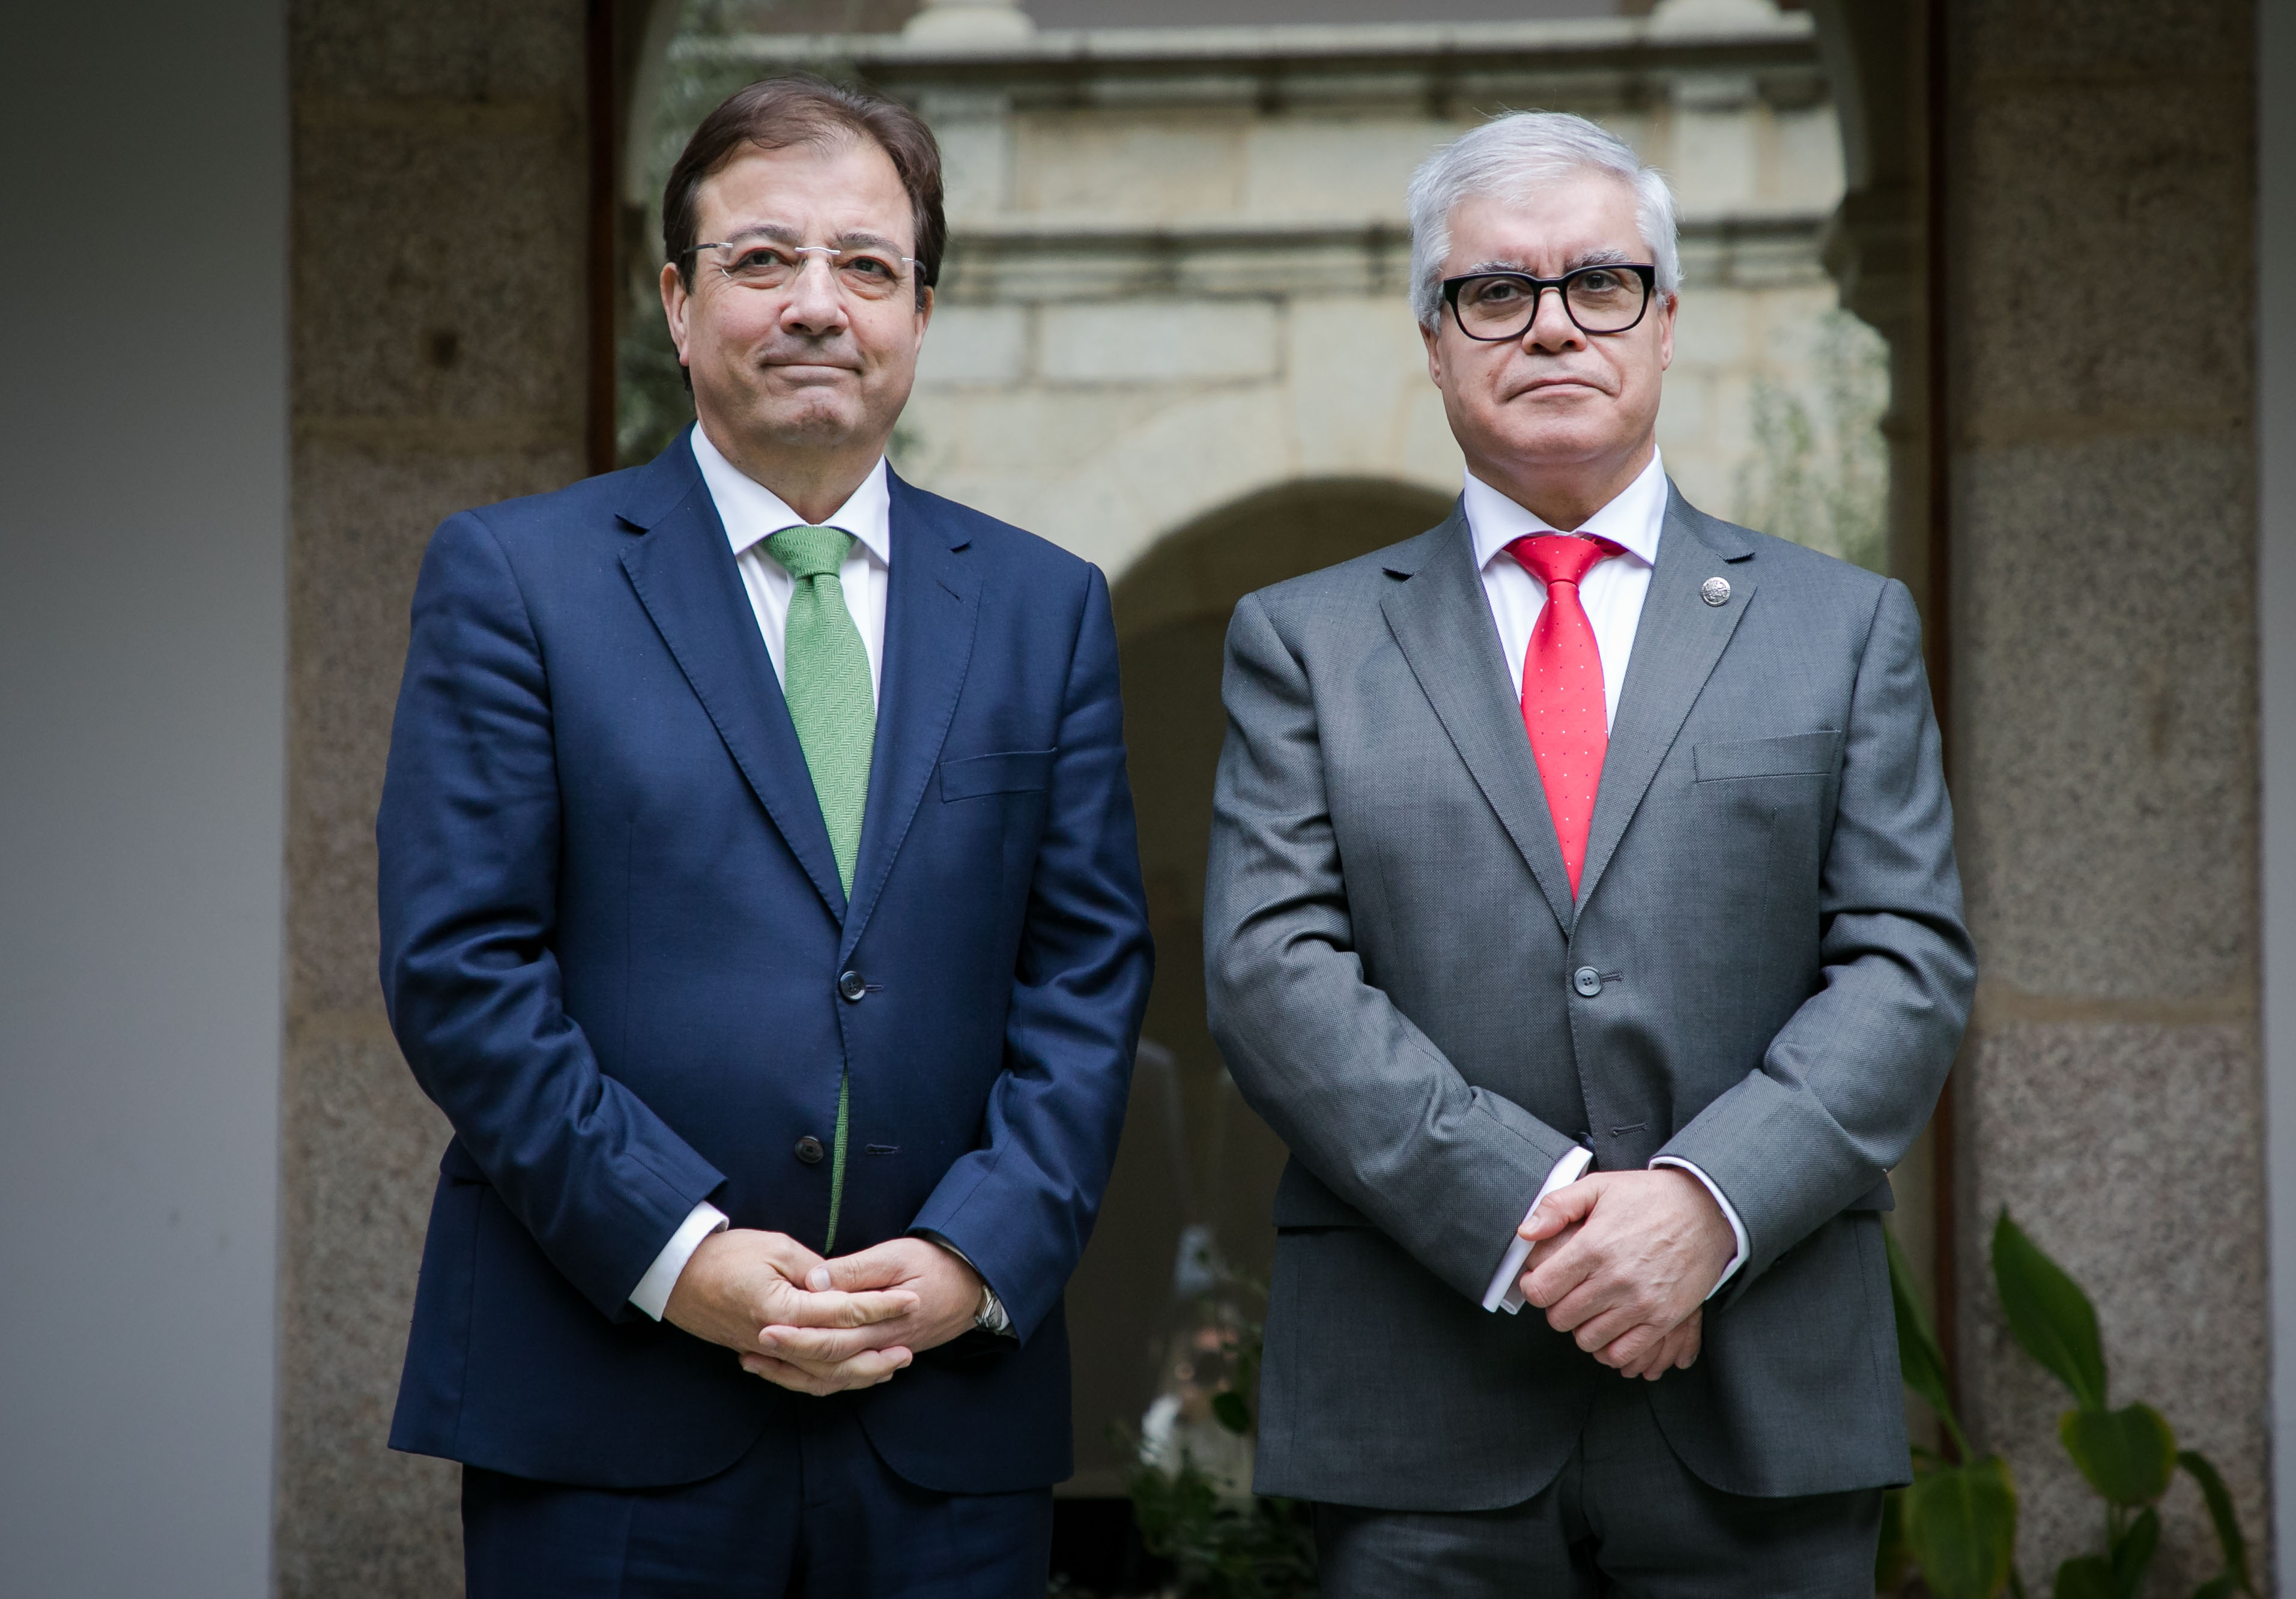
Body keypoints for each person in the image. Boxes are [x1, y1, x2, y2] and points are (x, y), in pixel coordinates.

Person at [377, 74, 1152, 1597]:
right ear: (676, 303)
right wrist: (681, 1252)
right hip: (607, 1402)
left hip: (944, 1419)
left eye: (866, 266)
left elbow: (1086, 980)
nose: (817, 305)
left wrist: (969, 1260)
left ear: (920, 315)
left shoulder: (1044, 608)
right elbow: (462, 971)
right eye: (760, 260)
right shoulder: (515, 580)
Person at [1204, 110, 1975, 1595]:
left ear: (1665, 322)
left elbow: (1905, 964)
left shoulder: (1839, 626)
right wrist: (1531, 1211)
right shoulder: (1300, 642)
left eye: (1599, 283)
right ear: (1433, 341)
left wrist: (1702, 1205)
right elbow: (1266, 973)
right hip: (1420, 1410)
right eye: (1493, 292)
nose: (1550, 325)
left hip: (1761, 1397)